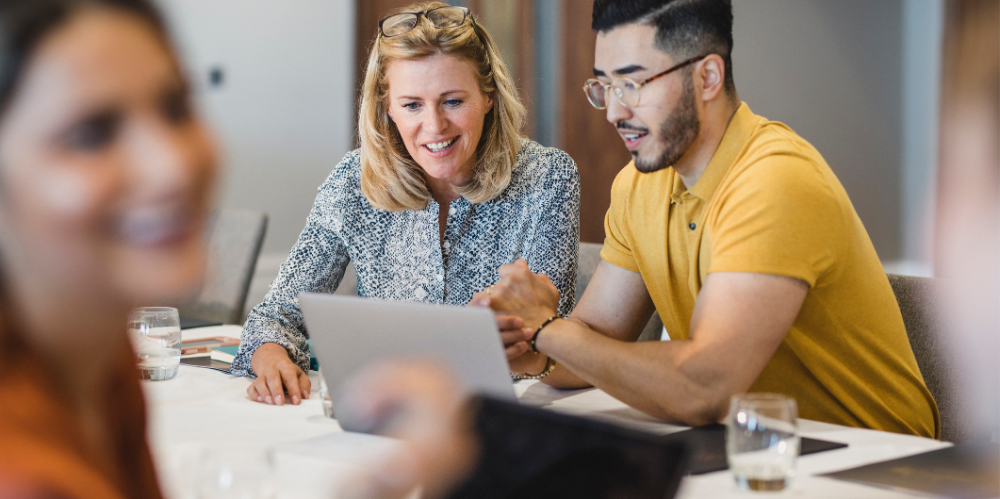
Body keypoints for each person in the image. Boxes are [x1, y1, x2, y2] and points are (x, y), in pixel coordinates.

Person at [475, 0, 939, 438]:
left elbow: (702, 389)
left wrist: (547, 329)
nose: (615, 111)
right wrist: (531, 344)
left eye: (633, 84)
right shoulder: (639, 186)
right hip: (755, 446)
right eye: (605, 86)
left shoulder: (773, 180)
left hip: (878, 465)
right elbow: (593, 341)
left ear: (708, 77)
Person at [233, 1, 581, 406]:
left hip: (507, 415)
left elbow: (556, 340)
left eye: (453, 101)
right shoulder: (353, 180)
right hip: (385, 412)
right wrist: (272, 359)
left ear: (488, 96)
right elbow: (275, 315)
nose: (433, 126)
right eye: (412, 105)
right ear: (387, 109)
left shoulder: (548, 177)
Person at [0, 0, 219, 496]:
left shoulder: (99, 354)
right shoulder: (25, 477)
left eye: (176, 107)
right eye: (91, 135)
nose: (173, 165)